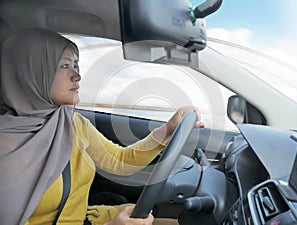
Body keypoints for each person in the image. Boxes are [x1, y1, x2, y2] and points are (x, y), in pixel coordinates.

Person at [0, 28, 204, 225]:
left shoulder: (73, 123)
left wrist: (168, 129)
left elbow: (120, 161)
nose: (77, 76)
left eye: (76, 65)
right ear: (32, 74)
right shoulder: (5, 146)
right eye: (64, 66)